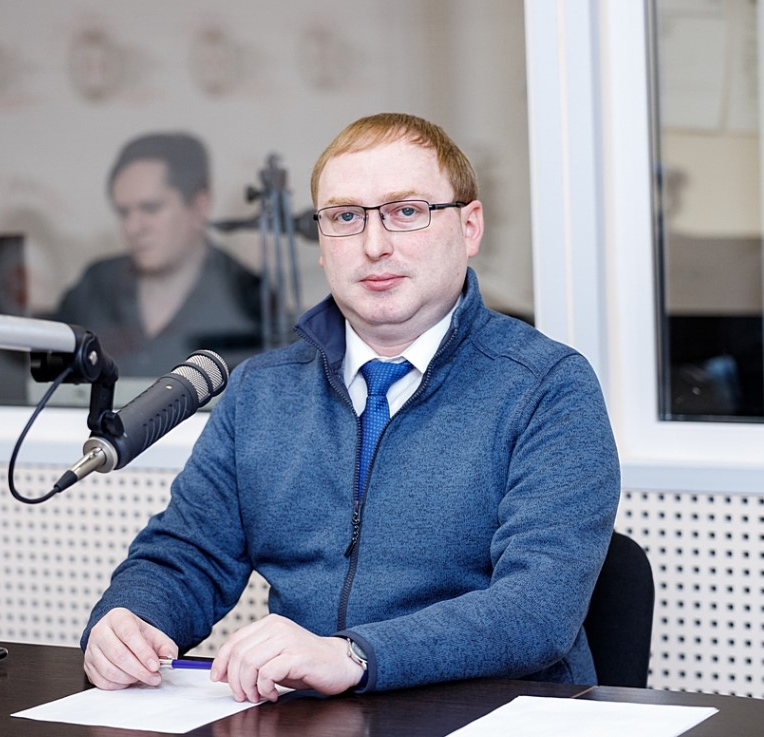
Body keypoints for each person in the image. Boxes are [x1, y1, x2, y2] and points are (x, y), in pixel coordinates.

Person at [81, 113, 620, 703]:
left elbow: (537, 610)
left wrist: (355, 654)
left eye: (406, 211)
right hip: (311, 717)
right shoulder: (261, 391)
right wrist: (129, 618)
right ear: (321, 242)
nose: (374, 245)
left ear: (469, 227)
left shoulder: (548, 387)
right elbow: (187, 555)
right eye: (344, 217)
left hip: (491, 715)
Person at [53, 132, 263, 377]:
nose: (133, 227)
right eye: (123, 212)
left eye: (150, 208)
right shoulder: (94, 286)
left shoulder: (248, 297)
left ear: (200, 205)